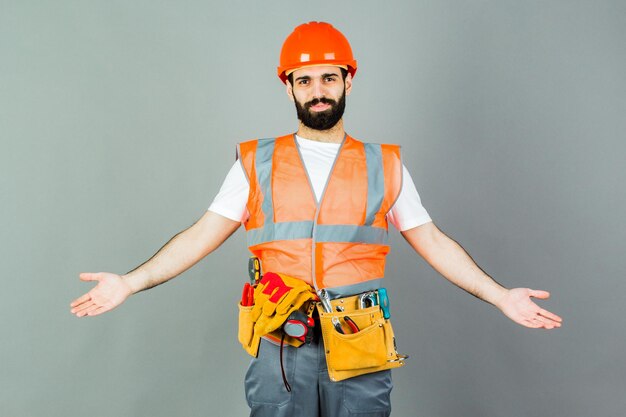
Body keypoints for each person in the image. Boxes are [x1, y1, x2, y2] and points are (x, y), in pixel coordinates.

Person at [70, 21, 562, 417]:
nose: (318, 90)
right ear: (288, 89)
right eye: (304, 80)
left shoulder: (383, 164)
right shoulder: (256, 162)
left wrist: (500, 296)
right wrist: (129, 284)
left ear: (349, 80)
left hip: (360, 339)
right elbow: (201, 235)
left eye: (329, 77)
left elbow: (431, 240)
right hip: (282, 340)